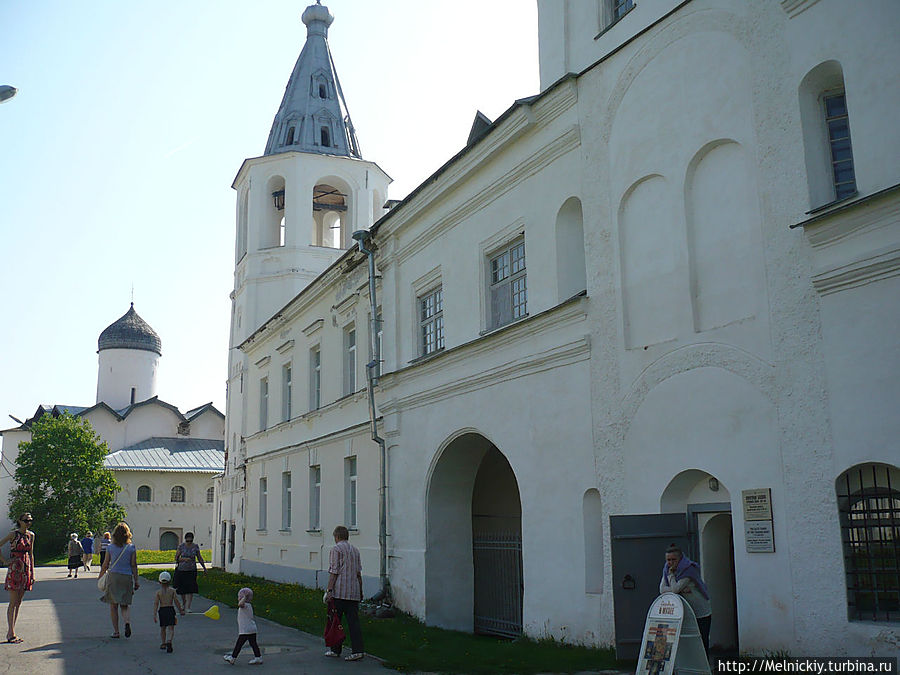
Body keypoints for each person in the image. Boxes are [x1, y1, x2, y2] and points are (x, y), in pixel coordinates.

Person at [660, 544, 712, 654]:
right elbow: (662, 589)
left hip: (700, 612)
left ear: (680, 559)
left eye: (673, 559)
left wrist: (672, 578)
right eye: (668, 560)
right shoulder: (667, 569)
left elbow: (674, 589)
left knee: (702, 640)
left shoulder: (688, 569)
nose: (670, 563)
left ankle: (704, 667)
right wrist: (678, 588)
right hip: (684, 612)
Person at [324, 525, 364, 662]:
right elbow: (358, 573)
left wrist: (329, 590)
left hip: (340, 592)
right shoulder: (355, 550)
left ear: (336, 537)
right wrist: (360, 590)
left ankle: (335, 649)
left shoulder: (336, 549)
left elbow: (334, 572)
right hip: (353, 592)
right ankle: (358, 650)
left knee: (335, 621)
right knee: (354, 623)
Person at [98, 522, 139, 638]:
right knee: (124, 605)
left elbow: (105, 564)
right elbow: (134, 565)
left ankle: (116, 632)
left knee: (113, 605)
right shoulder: (131, 548)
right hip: (127, 577)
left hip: (114, 577)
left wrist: (100, 576)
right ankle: (127, 622)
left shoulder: (110, 548)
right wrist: (136, 580)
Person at [0, 513, 35, 643]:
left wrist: (32, 572)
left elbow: (31, 554)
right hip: (15, 569)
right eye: (26, 520)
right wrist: (4, 561)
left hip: (25, 569)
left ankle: (13, 631)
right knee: (13, 602)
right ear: (20, 521)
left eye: (30, 520)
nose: (28, 523)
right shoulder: (13, 534)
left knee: (19, 602)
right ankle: (10, 633)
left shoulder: (31, 535)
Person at [223, 587, 263, 665]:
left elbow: (240, 604)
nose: (238, 598)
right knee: (253, 643)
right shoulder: (248, 605)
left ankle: (233, 658)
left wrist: (244, 596)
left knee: (239, 644)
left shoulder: (245, 605)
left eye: (239, 597)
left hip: (246, 630)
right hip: (251, 628)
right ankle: (258, 657)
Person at [173, 532, 207, 612]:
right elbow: (176, 558)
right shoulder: (181, 546)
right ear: (185, 540)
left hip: (191, 570)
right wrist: (184, 559)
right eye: (187, 541)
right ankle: (184, 602)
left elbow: (199, 557)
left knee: (190, 588)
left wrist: (204, 568)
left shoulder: (195, 547)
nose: (189, 542)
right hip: (182, 570)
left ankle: (188, 606)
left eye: (190, 541)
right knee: (182, 589)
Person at [153, 571, 184, 653]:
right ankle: (169, 640)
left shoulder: (158, 592)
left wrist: (155, 614)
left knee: (163, 628)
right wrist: (180, 610)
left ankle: (163, 643)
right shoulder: (172, 591)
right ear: (170, 581)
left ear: (159, 581)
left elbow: (156, 603)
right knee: (171, 627)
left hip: (162, 610)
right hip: (170, 609)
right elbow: (176, 601)